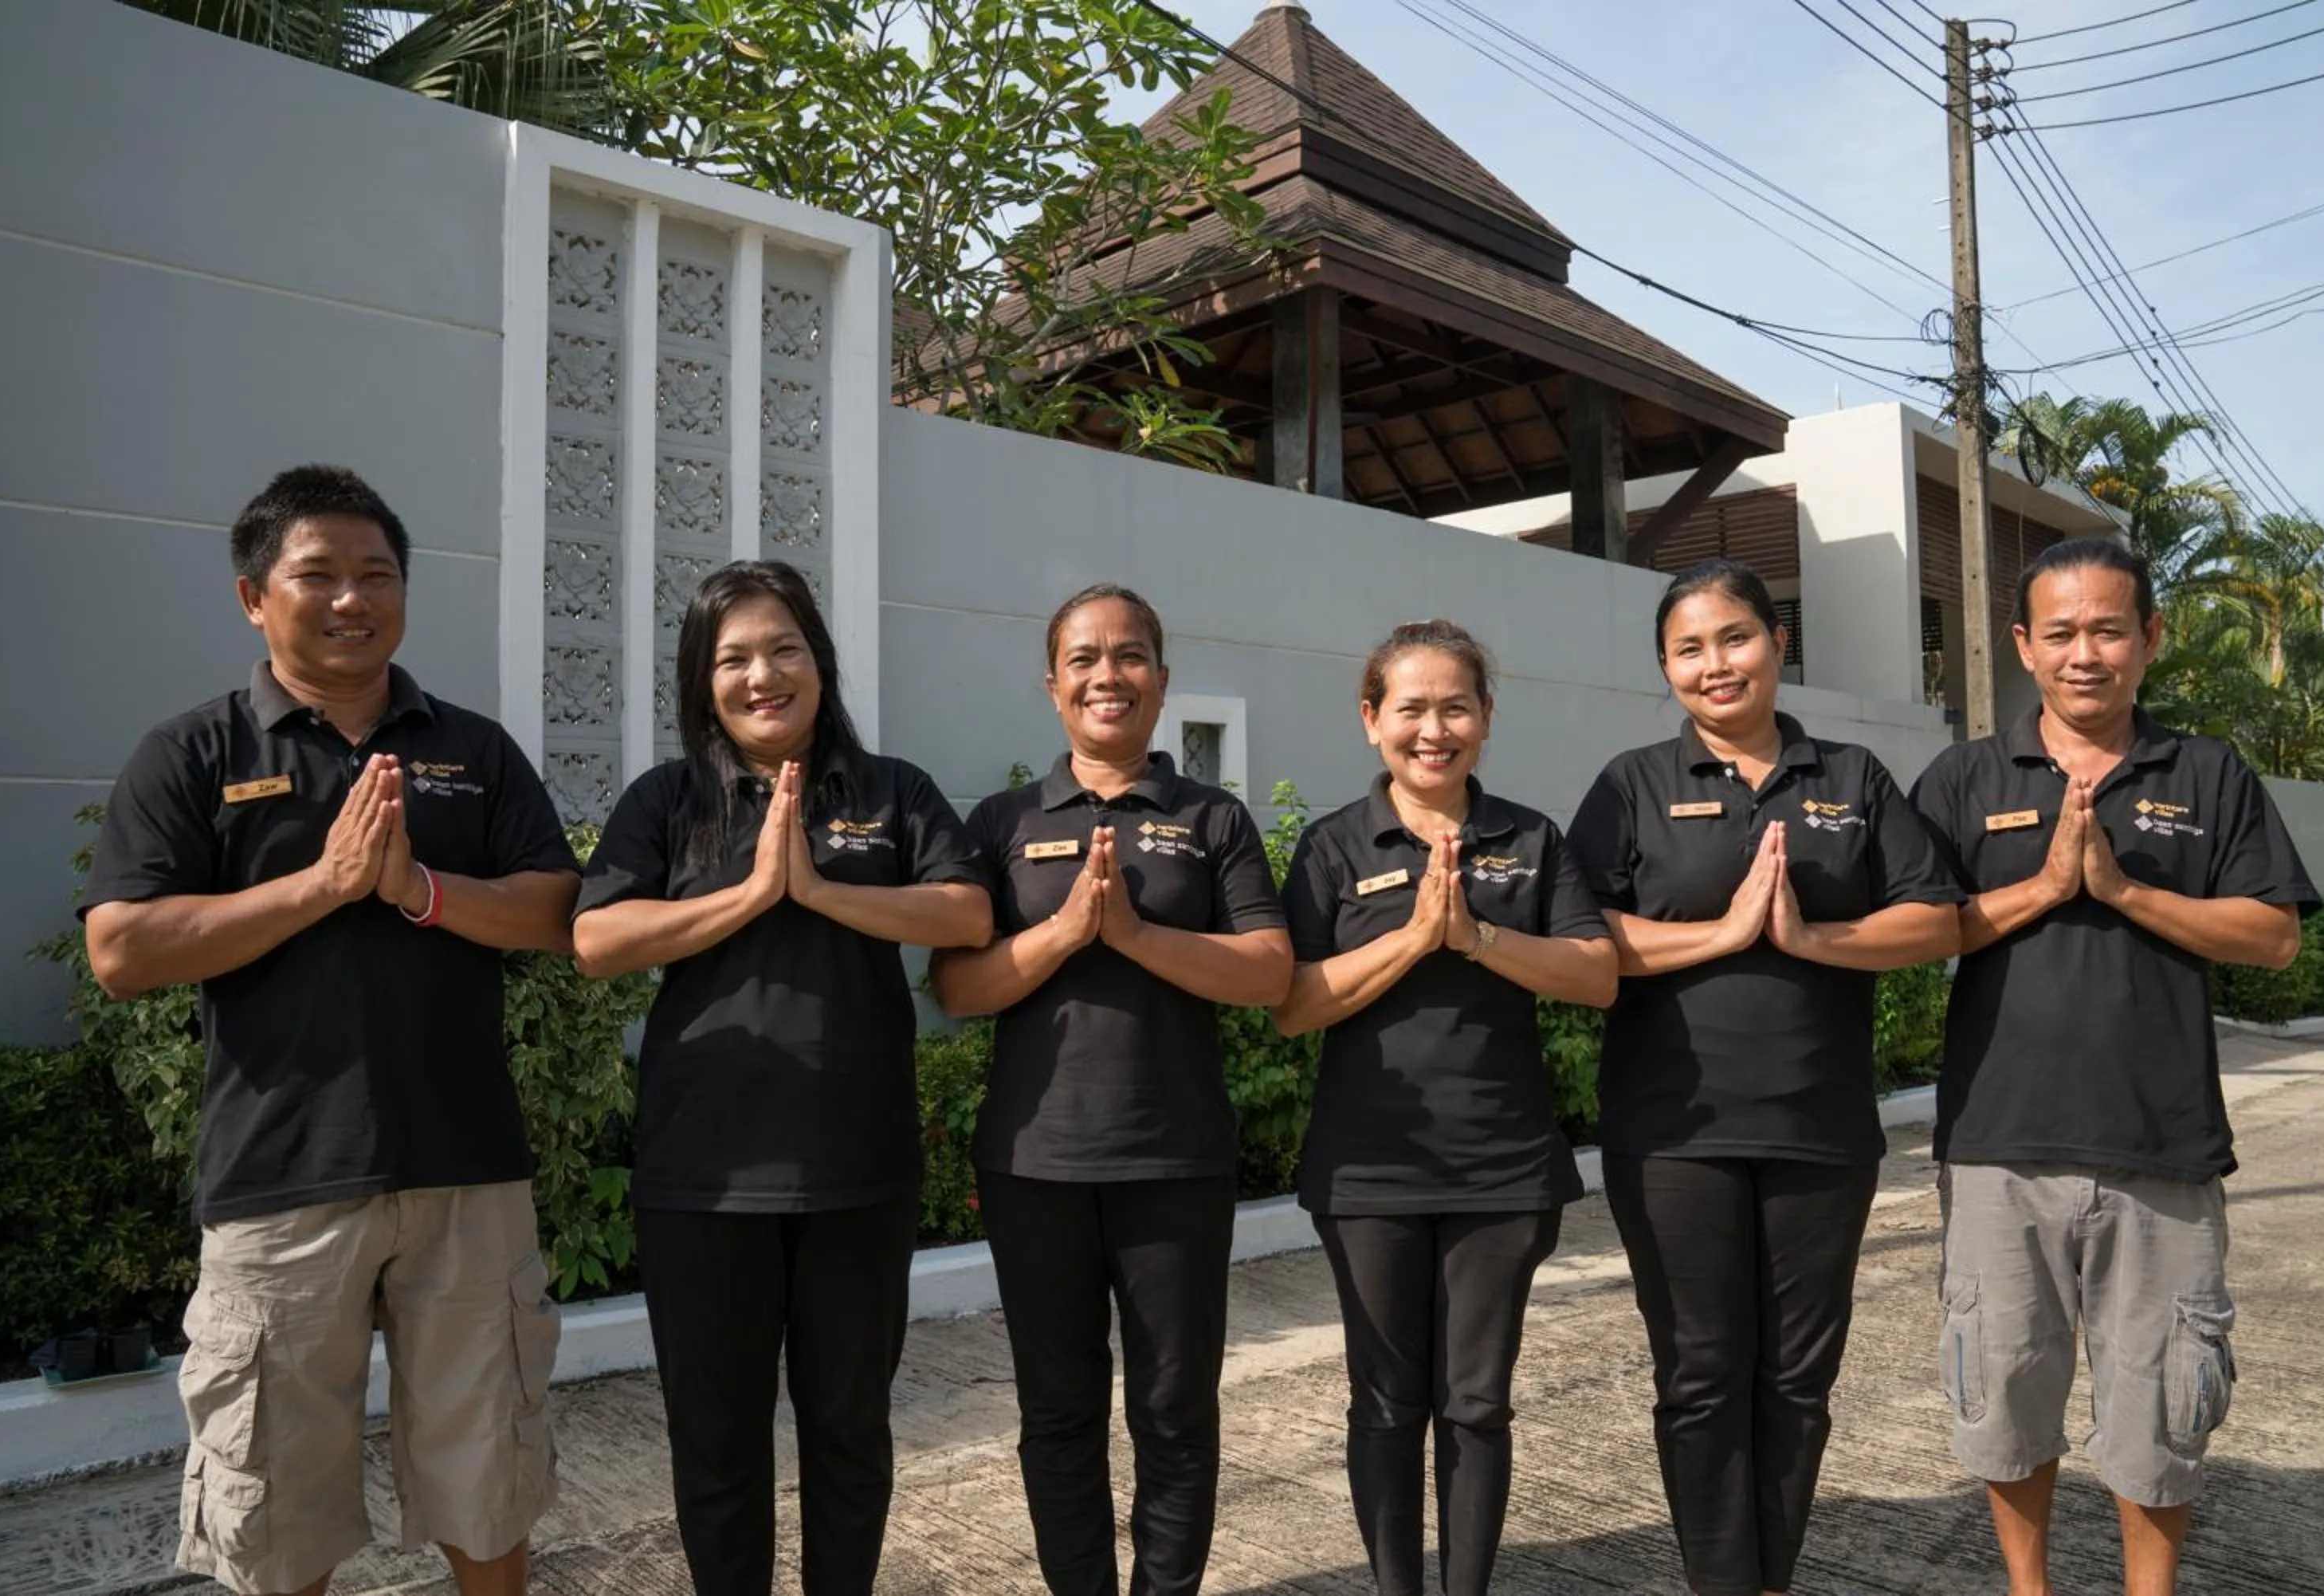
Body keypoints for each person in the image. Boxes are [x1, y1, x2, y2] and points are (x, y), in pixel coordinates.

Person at [80, 465, 580, 1596]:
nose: (353, 598)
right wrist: (323, 885)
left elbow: (556, 912)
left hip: (466, 1171)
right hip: (280, 1180)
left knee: (489, 1475)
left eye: (377, 574)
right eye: (319, 575)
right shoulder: (196, 752)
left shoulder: (471, 749)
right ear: (254, 597)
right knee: (275, 1510)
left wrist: (418, 889)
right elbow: (124, 948)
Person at [571, 560, 991, 1596]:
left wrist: (823, 889)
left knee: (850, 1429)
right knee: (716, 1440)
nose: (762, 674)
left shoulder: (892, 792)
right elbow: (597, 937)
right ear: (701, 680)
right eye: (734, 658)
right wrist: (753, 894)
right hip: (703, 1177)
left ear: (820, 660)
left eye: (783, 648)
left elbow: (966, 911)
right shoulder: (668, 800)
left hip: (858, 1170)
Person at [1908, 537, 2312, 1596]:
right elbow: (1917, 930)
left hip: (2161, 1143)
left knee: (2163, 1399)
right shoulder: (1963, 777)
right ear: (2023, 645)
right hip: (1999, 1141)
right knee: (2004, 1389)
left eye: (2107, 629)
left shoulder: (2207, 773)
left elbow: (2273, 935)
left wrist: (2127, 892)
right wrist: (2045, 887)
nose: (2084, 653)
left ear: (2149, 637)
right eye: (2061, 632)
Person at [1565, 557, 1963, 1596]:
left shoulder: (1852, 777)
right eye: (1688, 648)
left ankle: (1772, 1579)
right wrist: (1724, 932)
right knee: (1701, 1375)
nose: (1716, 663)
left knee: (1797, 1378)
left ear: (1777, 642)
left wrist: (1810, 936)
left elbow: (1934, 918)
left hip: (1819, 1131)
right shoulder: (1631, 783)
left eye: (1734, 637)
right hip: (1672, 1134)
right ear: (1665, 667)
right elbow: (1579, 935)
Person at [928, 584, 1293, 1596]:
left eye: (1130, 656)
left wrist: (1133, 934)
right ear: (1052, 685)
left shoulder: (1211, 816)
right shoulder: (1002, 820)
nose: (1107, 675)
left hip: (1176, 1160)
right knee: (1057, 1409)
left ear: (1162, 682)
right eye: (1083, 659)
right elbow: (956, 988)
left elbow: (1268, 971)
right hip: (1033, 1161)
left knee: (1175, 1409)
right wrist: (1063, 933)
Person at [1271, 619, 1616, 1596]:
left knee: (1476, 1402)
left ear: (1486, 717)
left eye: (1455, 707)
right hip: (1367, 1169)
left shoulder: (1529, 838)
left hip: (1502, 1169)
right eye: (1411, 709)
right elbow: (1293, 1004)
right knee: (1385, 1402)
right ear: (1371, 719)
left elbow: (1596, 975)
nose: (1434, 729)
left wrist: (1476, 939)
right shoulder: (1334, 844)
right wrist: (1416, 937)